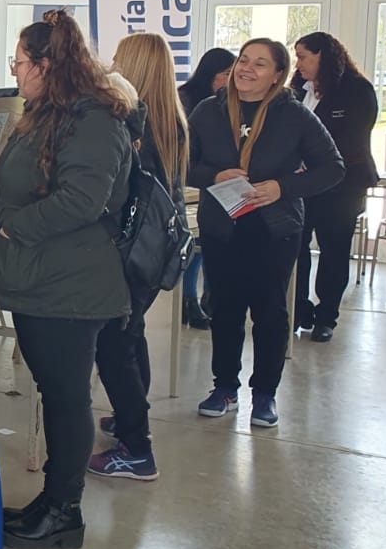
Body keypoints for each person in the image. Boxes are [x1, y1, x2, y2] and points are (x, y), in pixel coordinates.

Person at [0, 9, 136, 549]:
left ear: (47, 64)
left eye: (20, 62)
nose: (15, 72)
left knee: (67, 397)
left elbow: (81, 200)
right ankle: (50, 501)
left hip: (70, 287)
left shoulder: (93, 119)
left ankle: (65, 510)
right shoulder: (49, 111)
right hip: (43, 280)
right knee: (54, 392)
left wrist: (12, 229)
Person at [189, 38, 342, 429]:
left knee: (270, 314)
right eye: (243, 60)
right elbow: (183, 165)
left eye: (259, 64)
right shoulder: (209, 111)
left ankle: (264, 394)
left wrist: (282, 187)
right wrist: (214, 176)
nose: (246, 69)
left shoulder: (293, 116)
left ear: (277, 75)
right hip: (223, 227)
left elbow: (332, 167)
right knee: (224, 310)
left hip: (273, 230)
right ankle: (224, 387)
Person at [88, 33, 187, 483]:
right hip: (151, 254)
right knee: (131, 336)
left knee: (114, 346)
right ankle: (131, 418)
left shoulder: (134, 124)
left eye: (117, 58)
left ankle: (136, 446)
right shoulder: (173, 120)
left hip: (129, 253)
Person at [291, 32, 377, 343]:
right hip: (302, 186)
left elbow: (353, 138)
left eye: (303, 56)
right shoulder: (297, 89)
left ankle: (327, 315)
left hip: (343, 186)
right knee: (296, 248)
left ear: (322, 56)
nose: (298, 64)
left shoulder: (357, 90)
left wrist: (312, 161)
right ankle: (299, 310)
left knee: (334, 250)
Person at [176, 47, 237, 330]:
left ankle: (210, 299)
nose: (231, 79)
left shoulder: (230, 103)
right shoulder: (186, 98)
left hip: (222, 184)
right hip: (192, 182)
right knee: (194, 246)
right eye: (226, 73)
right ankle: (188, 300)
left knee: (215, 245)